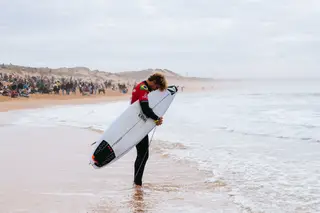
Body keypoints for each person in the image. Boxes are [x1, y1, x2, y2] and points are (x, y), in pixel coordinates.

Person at [130, 72, 168, 188]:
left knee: (142, 154)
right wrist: (156, 118)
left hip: (138, 123)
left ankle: (137, 182)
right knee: (143, 154)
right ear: (154, 82)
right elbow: (145, 108)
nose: (156, 89)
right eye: (157, 87)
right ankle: (137, 183)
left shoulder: (144, 87)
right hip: (137, 125)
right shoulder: (143, 88)